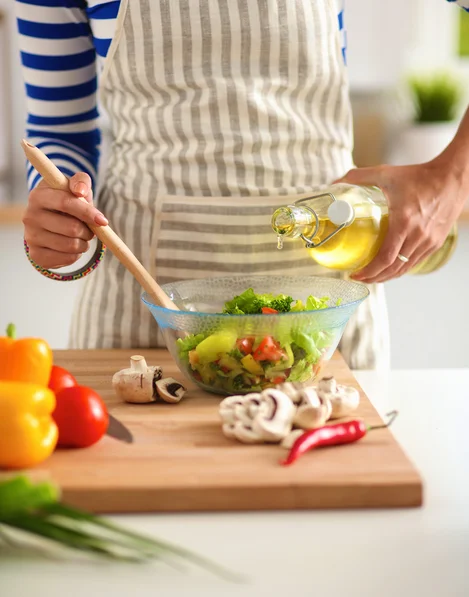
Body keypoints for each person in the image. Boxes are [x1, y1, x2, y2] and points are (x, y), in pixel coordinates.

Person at [14, 0, 469, 370]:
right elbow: (60, 128)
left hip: (328, 316)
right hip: (138, 310)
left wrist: (453, 178)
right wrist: (57, 209)